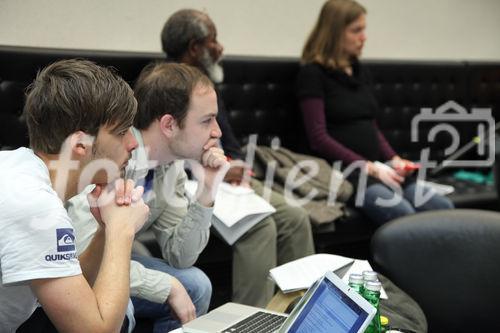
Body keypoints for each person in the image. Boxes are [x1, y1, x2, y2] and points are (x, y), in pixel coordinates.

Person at [161, 9, 315, 307]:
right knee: (259, 227)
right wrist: (211, 168)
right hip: (192, 182)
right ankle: (250, 320)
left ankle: (304, 314)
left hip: (228, 177)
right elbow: (164, 156)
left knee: (295, 217)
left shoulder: (204, 84)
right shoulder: (165, 86)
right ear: (194, 48)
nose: (220, 48)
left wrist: (238, 165)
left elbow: (228, 138)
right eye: (214, 40)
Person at [67, 62, 229, 332]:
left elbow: (180, 256)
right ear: (168, 124)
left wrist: (207, 189)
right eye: (206, 120)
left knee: (197, 284)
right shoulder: (112, 155)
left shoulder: (171, 166)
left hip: (115, 260)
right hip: (77, 268)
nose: (217, 131)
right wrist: (167, 286)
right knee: (122, 309)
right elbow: (83, 258)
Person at [0, 59, 149, 332]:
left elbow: (69, 287)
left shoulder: (18, 169)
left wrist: (104, 229)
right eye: (121, 132)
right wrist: (122, 229)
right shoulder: (35, 206)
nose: (132, 143)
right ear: (81, 145)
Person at [297, 0, 454, 226]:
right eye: (356, 30)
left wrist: (394, 159)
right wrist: (367, 166)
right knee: (404, 216)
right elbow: (318, 138)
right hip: (343, 173)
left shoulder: (360, 71)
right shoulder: (312, 74)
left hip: (377, 167)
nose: (364, 37)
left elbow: (370, 125)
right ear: (334, 33)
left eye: (364, 29)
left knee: (443, 208)